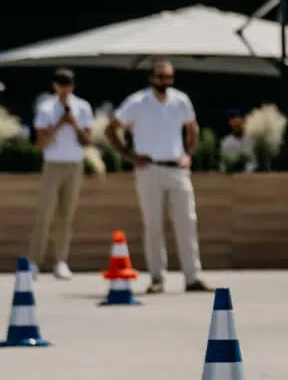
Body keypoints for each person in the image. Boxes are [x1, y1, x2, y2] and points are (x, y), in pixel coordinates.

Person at [106, 59, 208, 294]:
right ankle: (157, 277)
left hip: (177, 167)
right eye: (161, 77)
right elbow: (111, 129)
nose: (165, 81)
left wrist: (188, 155)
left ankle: (192, 277)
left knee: (187, 222)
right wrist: (130, 156)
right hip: (149, 168)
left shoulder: (180, 100)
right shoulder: (137, 102)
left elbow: (193, 128)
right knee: (153, 224)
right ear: (151, 78)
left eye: (169, 77)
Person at [28, 68, 92, 280]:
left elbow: (87, 141)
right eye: (61, 84)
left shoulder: (83, 107)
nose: (65, 89)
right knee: (44, 215)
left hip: (74, 164)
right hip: (52, 164)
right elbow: (41, 143)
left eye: (69, 85)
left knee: (66, 215)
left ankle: (61, 261)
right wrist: (58, 125)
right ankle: (35, 262)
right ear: (55, 86)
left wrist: (73, 123)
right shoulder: (46, 108)